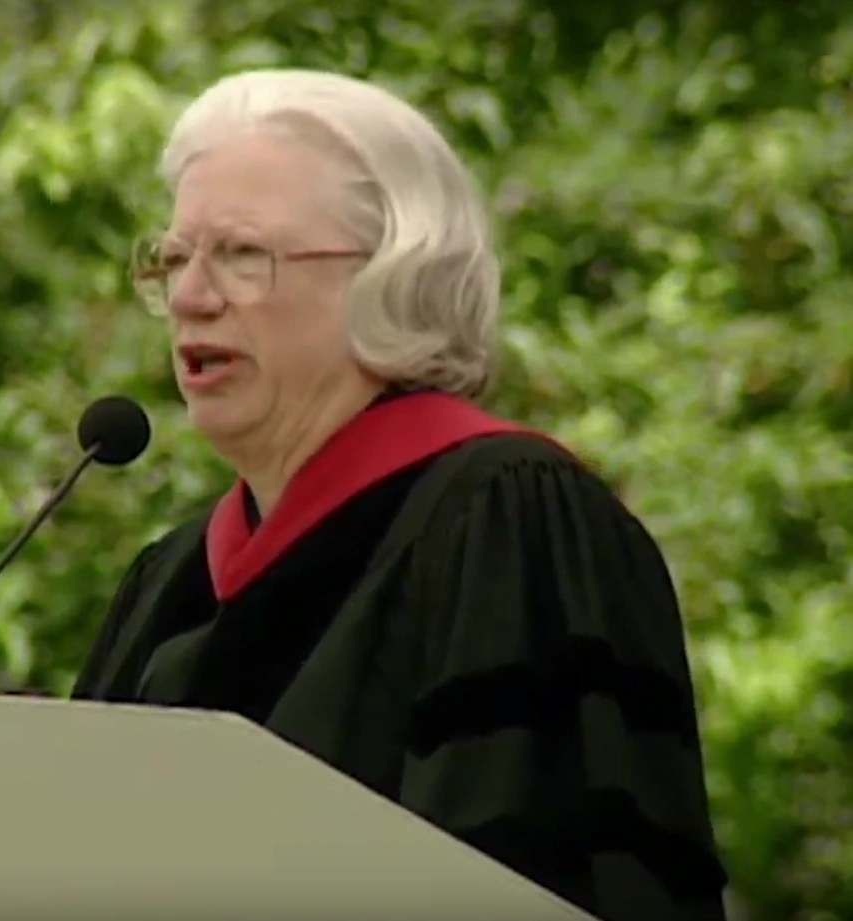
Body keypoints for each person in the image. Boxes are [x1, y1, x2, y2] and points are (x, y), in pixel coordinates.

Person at [71, 68, 728, 921]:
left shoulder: (507, 521)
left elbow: (564, 871)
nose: (191, 298)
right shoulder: (167, 583)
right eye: (174, 258)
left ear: (392, 275)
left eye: (241, 255)